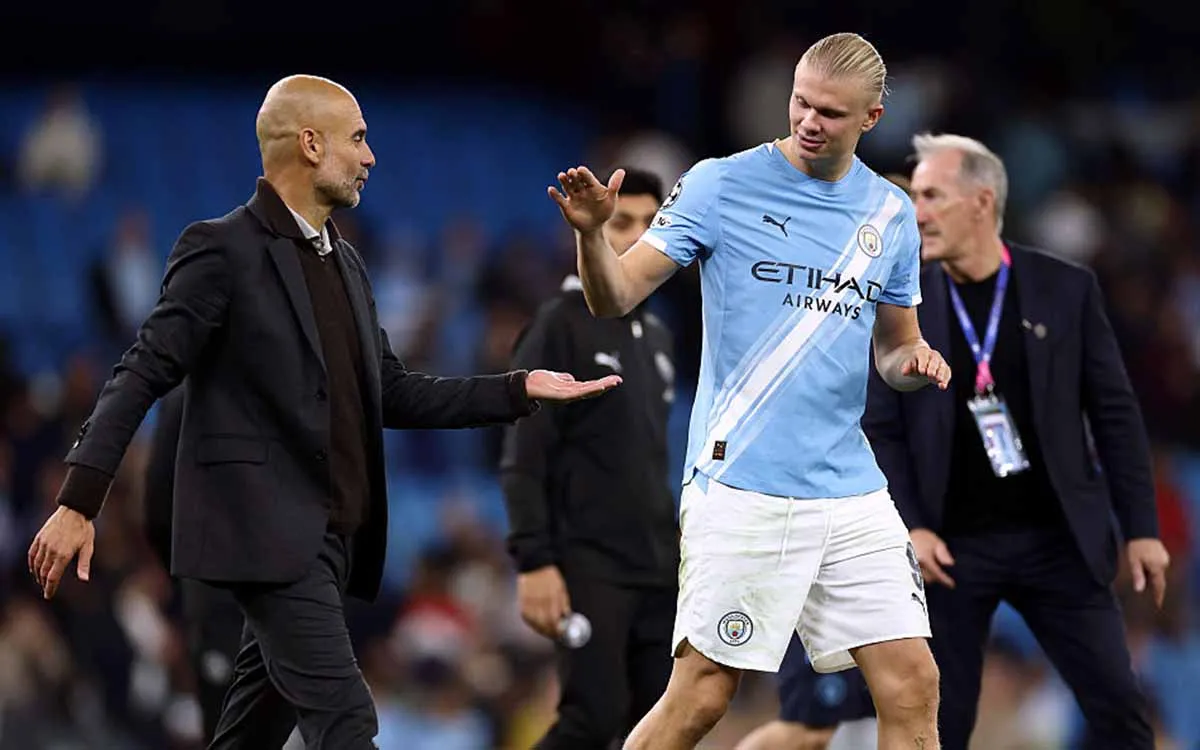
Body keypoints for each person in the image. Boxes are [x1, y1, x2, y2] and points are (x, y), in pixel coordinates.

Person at [27, 74, 621, 750]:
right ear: (310, 144)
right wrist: (80, 500)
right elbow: (142, 371)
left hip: (332, 546)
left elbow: (393, 392)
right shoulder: (221, 249)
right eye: (359, 139)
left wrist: (516, 389)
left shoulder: (348, 265)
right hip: (266, 541)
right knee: (348, 724)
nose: (370, 157)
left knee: (249, 737)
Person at [548, 33, 950, 750]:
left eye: (830, 111)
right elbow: (615, 298)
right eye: (800, 101)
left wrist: (915, 361)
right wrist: (592, 239)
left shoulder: (890, 214)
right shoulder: (721, 184)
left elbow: (895, 346)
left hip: (850, 488)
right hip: (744, 483)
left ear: (872, 118)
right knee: (702, 695)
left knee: (913, 683)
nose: (808, 120)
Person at [863, 133, 1169, 749]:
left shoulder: (1065, 288)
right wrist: (912, 528)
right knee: (940, 724)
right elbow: (882, 428)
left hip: (1057, 539)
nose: (914, 211)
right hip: (950, 549)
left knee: (1120, 711)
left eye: (930, 196)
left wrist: (1141, 529)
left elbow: (1114, 414)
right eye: (913, 196)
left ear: (981, 201)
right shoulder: (900, 299)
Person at [734, 169, 917, 750]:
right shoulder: (807, 308)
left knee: (906, 697)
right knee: (810, 726)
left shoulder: (905, 314)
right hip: (824, 527)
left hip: (887, 545)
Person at [499, 167, 679, 749]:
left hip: (657, 567)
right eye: (621, 222)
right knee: (592, 720)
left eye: (652, 225)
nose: (637, 237)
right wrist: (534, 561)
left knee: (661, 729)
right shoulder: (560, 323)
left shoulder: (657, 336)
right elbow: (524, 452)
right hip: (588, 563)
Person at [143, 386, 244, 745]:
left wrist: (183, 569)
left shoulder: (183, 397)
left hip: (213, 589)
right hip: (285, 592)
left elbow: (157, 505)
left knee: (223, 722)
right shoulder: (295, 382)